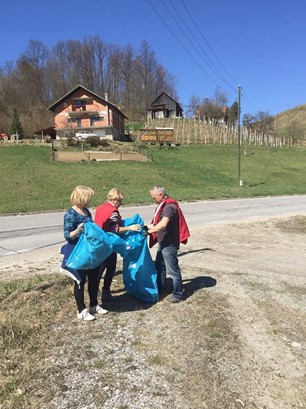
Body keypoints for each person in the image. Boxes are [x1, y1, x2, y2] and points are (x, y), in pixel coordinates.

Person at [62, 185, 108, 321]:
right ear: (82, 197)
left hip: (89, 250)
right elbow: (67, 235)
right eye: (89, 198)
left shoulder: (86, 211)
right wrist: (78, 230)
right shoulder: (70, 214)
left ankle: (94, 305)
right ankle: (81, 310)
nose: (90, 200)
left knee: (94, 278)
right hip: (78, 252)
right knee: (80, 280)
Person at [94, 188, 142, 302]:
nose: (120, 205)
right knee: (110, 268)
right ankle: (105, 292)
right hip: (109, 243)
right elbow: (114, 229)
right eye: (120, 202)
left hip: (98, 241)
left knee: (99, 269)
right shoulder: (113, 211)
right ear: (116, 200)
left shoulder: (100, 208)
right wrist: (129, 228)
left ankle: (94, 290)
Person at [146, 185, 190, 303]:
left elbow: (163, 224)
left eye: (154, 198)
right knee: (160, 267)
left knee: (172, 270)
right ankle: (161, 290)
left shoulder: (169, 207)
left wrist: (148, 232)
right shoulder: (163, 206)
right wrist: (144, 228)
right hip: (163, 243)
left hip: (169, 244)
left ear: (161, 195)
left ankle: (178, 294)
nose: (153, 200)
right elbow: (156, 223)